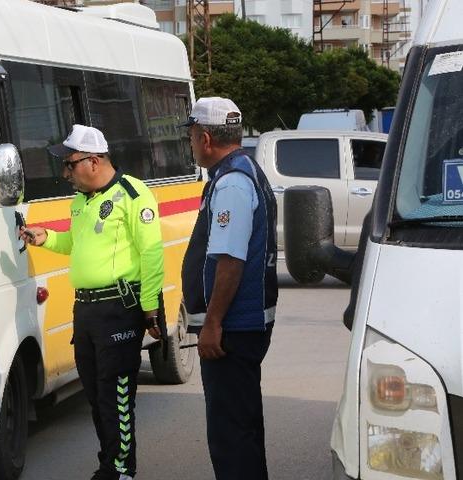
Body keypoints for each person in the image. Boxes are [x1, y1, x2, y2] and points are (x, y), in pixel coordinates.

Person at [21, 124, 163, 480]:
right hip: (85, 311)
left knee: (116, 398)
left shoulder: (132, 194)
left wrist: (149, 307)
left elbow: (152, 253)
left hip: (119, 309)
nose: (65, 173)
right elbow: (75, 244)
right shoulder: (81, 201)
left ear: (94, 161)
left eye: (69, 164)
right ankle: (109, 465)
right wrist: (47, 238)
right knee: (97, 398)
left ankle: (120, 471)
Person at [179, 97, 278, 480]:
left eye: (190, 136)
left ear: (205, 138)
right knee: (244, 426)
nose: (190, 144)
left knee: (230, 435)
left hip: (232, 330)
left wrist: (213, 322)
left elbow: (230, 260)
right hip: (242, 325)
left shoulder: (232, 182)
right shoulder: (242, 171)